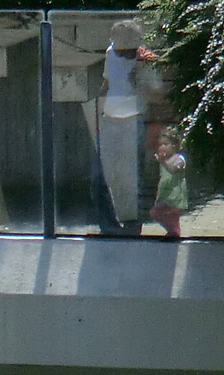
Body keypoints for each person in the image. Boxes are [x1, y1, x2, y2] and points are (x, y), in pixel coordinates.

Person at [94, 20, 158, 235]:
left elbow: (157, 92)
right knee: (101, 177)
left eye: (125, 50)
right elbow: (107, 82)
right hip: (109, 120)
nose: (120, 53)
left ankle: (132, 227)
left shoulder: (145, 61)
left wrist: (139, 76)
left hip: (132, 121)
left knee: (133, 178)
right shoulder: (111, 53)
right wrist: (98, 109)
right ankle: (108, 226)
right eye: (117, 48)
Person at [149, 127, 188, 239]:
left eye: (165, 144)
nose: (162, 147)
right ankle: (174, 233)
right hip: (166, 193)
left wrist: (162, 162)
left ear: (174, 145)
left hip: (175, 195)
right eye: (160, 145)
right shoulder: (164, 160)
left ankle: (172, 231)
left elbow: (172, 169)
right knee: (172, 216)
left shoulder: (179, 159)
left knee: (156, 212)